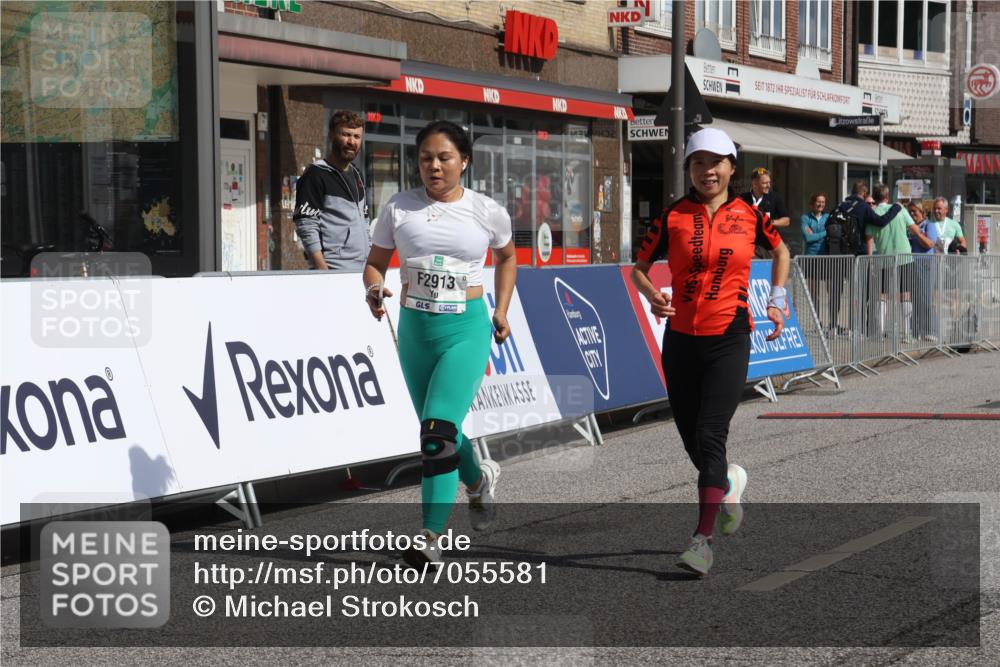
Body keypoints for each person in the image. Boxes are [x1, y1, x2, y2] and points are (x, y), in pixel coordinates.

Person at [631, 128, 790, 576]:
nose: (707, 171)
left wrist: (777, 299)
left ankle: (701, 542)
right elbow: (639, 268)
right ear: (689, 169)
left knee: (710, 434)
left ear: (731, 168)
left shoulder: (749, 214)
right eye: (698, 163)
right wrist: (652, 295)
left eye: (716, 162)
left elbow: (782, 253)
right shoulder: (672, 216)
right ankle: (728, 482)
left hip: (729, 337)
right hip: (680, 338)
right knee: (692, 441)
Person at [362, 120, 518, 569]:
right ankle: (478, 481)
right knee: (441, 431)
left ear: (464, 161)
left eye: (444, 157)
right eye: (426, 157)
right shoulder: (399, 208)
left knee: (435, 436)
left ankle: (430, 537)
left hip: (466, 330)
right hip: (416, 332)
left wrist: (501, 309)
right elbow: (375, 263)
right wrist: (373, 288)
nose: (434, 166)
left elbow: (507, 257)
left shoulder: (486, 210)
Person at [293, 110, 370, 270]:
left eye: (357, 136)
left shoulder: (357, 174)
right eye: (346, 134)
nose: (352, 141)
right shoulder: (316, 174)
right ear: (331, 136)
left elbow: (365, 220)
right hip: (334, 270)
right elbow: (306, 225)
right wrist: (323, 271)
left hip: (361, 269)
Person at [865, 184, 930, 341]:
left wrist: (870, 260)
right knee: (905, 294)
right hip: (905, 257)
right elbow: (915, 230)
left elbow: (869, 239)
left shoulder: (872, 214)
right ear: (887, 196)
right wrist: (927, 241)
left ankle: (879, 333)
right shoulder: (900, 210)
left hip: (883, 258)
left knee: (882, 295)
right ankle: (907, 333)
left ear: (875, 197)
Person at [740, 167, 790, 258]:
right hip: (748, 246)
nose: (768, 186)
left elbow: (786, 221)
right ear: (754, 183)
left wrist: (768, 222)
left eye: (769, 182)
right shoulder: (742, 199)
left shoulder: (775, 197)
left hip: (769, 247)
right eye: (764, 183)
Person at [906, 202, 938, 341]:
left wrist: (917, 233)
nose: (912, 214)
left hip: (926, 265)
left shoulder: (929, 225)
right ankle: (915, 332)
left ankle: (930, 330)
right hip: (912, 265)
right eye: (910, 212)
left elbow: (930, 243)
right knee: (915, 299)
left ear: (922, 212)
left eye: (915, 211)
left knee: (926, 299)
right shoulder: (909, 226)